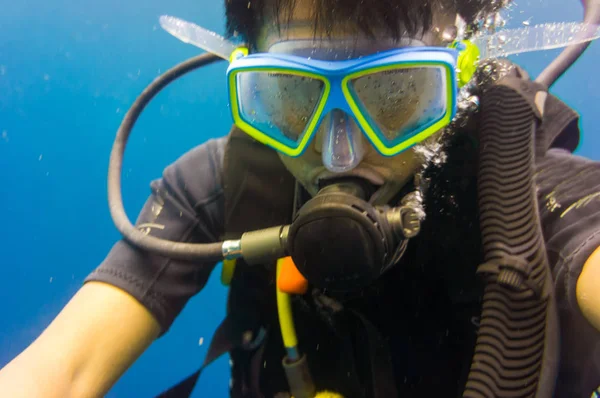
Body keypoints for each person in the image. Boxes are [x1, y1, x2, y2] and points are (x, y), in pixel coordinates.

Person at [1, 0, 600, 397]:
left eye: (394, 91)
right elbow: (66, 370)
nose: (340, 154)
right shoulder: (222, 183)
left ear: (456, 82)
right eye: (291, 94)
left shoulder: (538, 194)